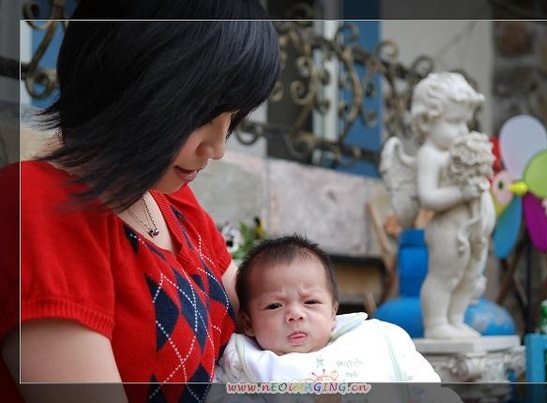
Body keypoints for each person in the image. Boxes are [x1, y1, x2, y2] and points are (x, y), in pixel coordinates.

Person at [0, 1, 281, 402]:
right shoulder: (35, 205)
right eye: (204, 116)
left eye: (232, 121)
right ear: (133, 81)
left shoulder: (174, 204)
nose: (217, 148)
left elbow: (271, 305)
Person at [215, 234, 443, 386]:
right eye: (275, 305)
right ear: (248, 323)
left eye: (311, 302)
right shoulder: (245, 361)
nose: (296, 314)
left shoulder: (377, 339)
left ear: (333, 312)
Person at [410, 72, 496, 339]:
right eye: (454, 121)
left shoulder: (461, 151)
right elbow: (427, 198)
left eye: (465, 122)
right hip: (448, 230)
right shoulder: (430, 155)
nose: (462, 130)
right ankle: (436, 323)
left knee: (469, 276)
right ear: (427, 121)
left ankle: (455, 320)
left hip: (474, 230)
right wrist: (461, 192)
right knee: (444, 276)